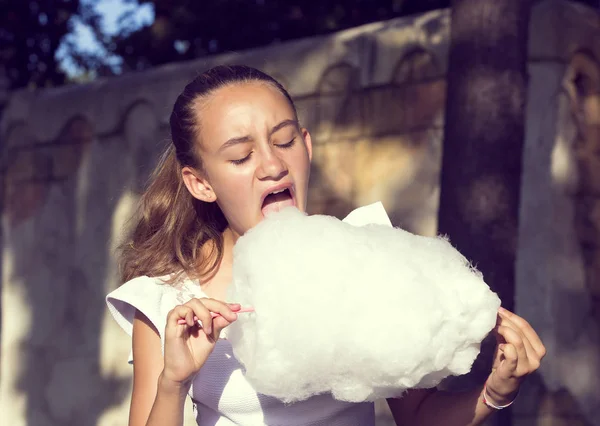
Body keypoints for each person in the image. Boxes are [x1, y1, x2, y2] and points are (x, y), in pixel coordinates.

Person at [106, 65, 546, 426]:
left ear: (307, 145)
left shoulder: (367, 256)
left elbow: (419, 415)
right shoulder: (169, 299)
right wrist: (175, 381)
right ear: (199, 182)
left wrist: (495, 393)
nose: (273, 165)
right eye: (241, 157)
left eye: (284, 140)